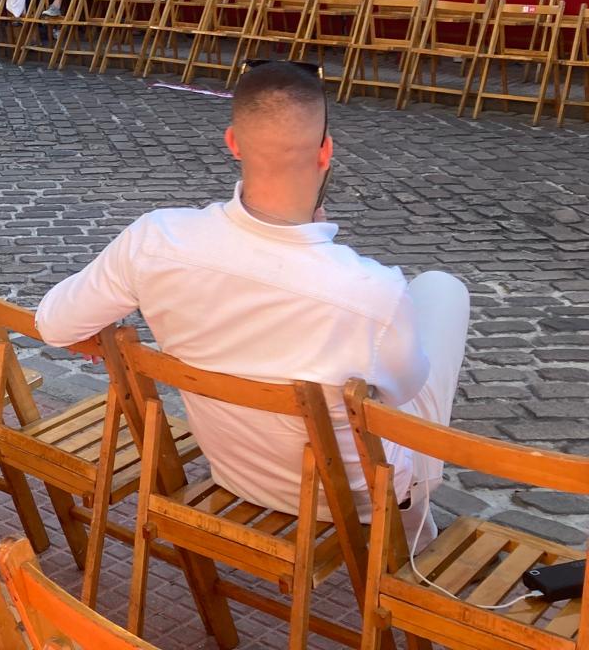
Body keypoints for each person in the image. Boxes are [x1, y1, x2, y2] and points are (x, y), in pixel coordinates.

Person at [34, 61, 469, 540]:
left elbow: (54, 324)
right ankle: (411, 538)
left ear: (234, 143)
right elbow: (403, 393)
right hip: (359, 495)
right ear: (325, 152)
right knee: (442, 290)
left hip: (236, 470)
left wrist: (98, 339)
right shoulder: (372, 289)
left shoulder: (155, 238)